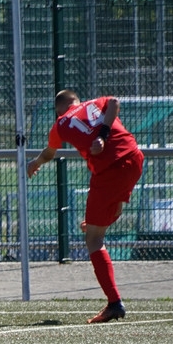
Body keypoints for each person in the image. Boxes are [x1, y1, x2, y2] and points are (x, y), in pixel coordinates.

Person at [27, 90, 144, 324]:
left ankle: (114, 303)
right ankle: (99, 220)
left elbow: (50, 152)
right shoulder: (95, 102)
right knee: (106, 215)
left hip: (109, 170)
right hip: (134, 158)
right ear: (76, 100)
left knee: (93, 239)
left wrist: (35, 162)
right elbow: (114, 102)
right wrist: (104, 132)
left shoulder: (61, 123)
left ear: (59, 110)